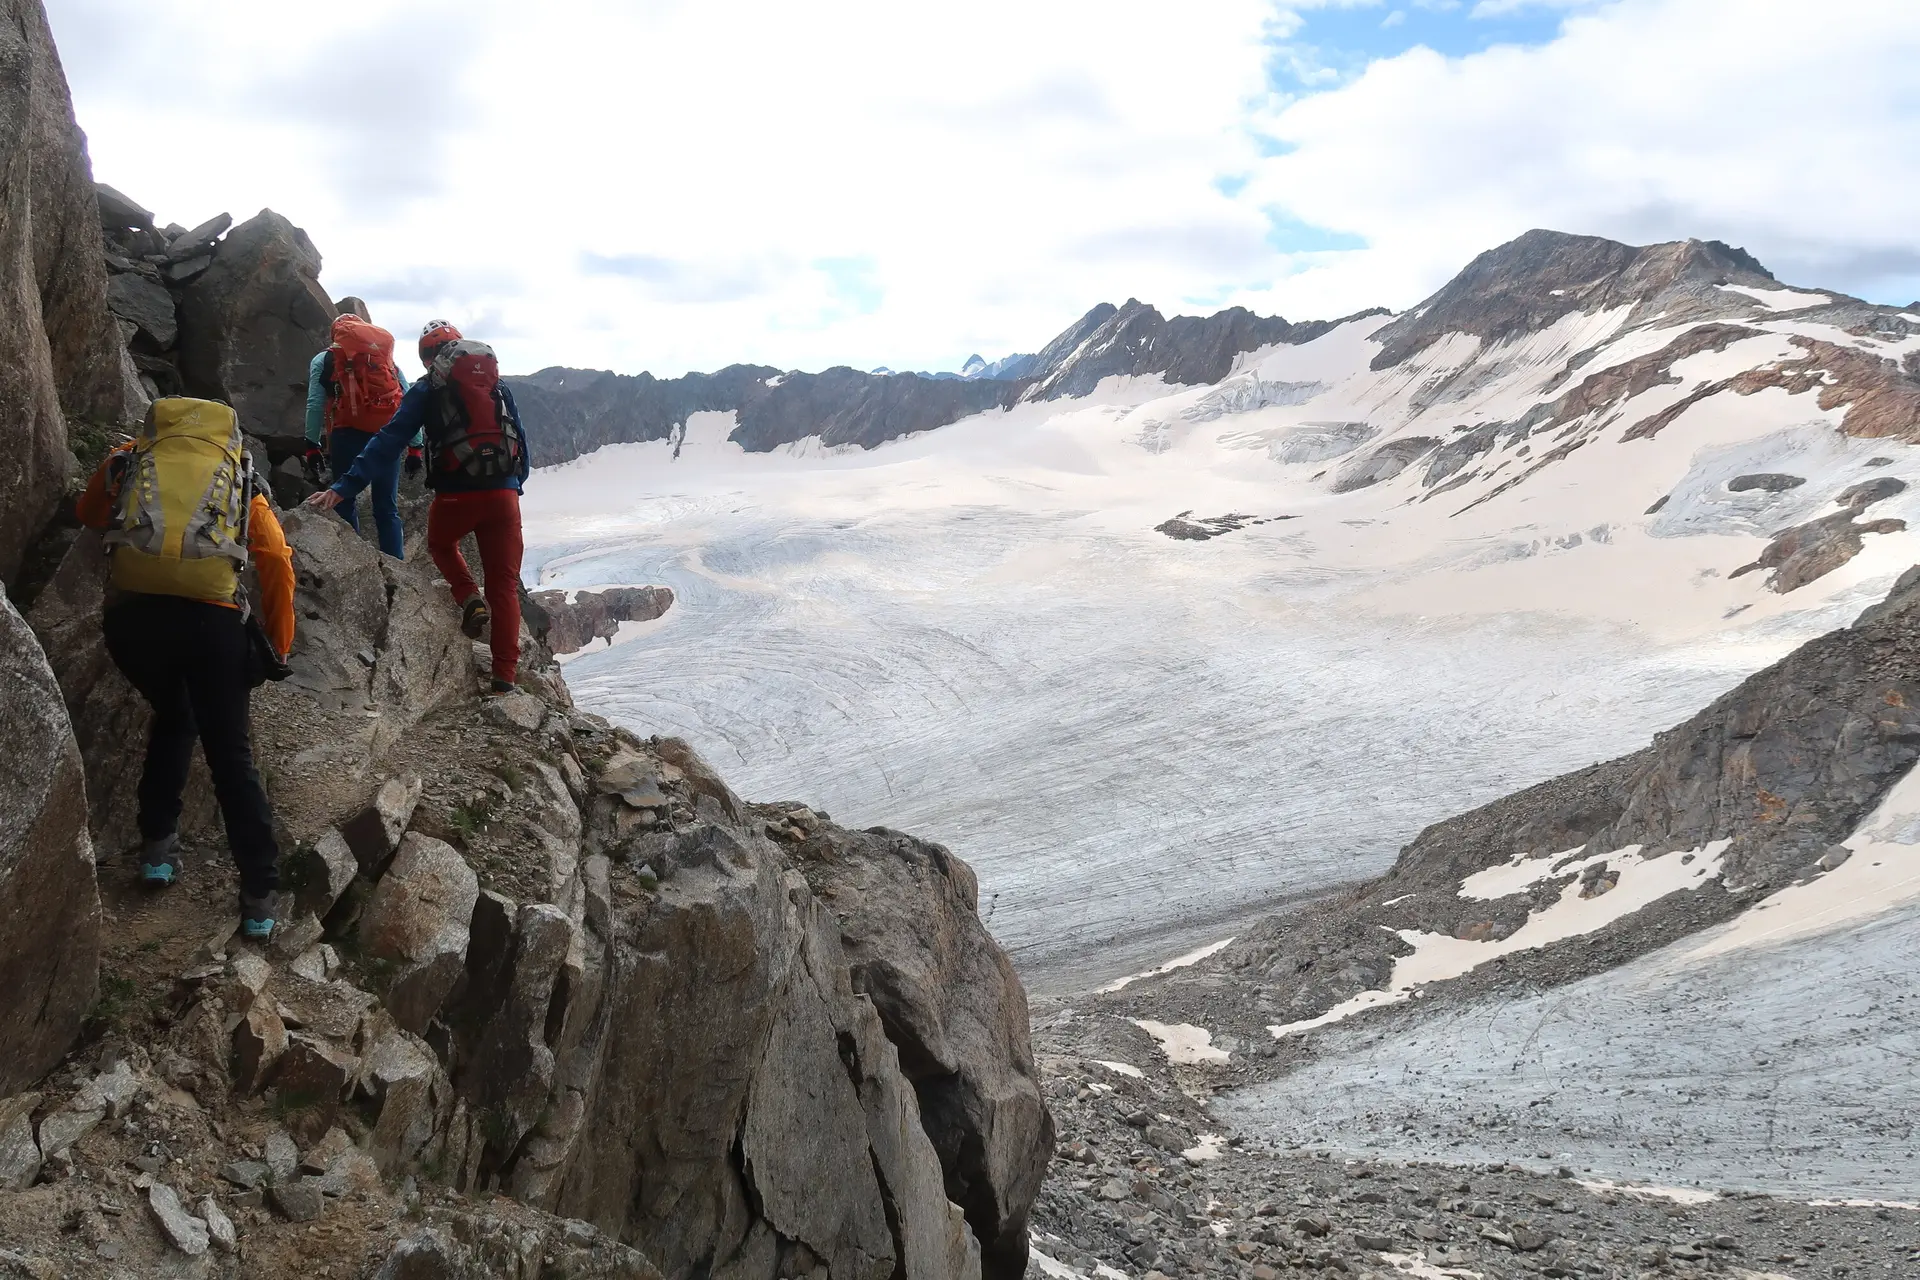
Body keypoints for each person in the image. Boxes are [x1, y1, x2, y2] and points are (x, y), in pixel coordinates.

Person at [77, 396, 296, 941]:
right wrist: (281, 645)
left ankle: (156, 849)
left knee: (174, 715)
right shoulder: (238, 475)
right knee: (230, 756)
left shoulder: (131, 458)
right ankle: (260, 898)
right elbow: (275, 559)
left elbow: (88, 513)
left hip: (133, 622)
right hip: (212, 625)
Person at [307, 320, 530, 694]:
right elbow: (519, 438)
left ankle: (467, 595)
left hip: (456, 496)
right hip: (504, 496)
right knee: (504, 585)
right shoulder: (498, 386)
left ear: (429, 357)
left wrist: (344, 487)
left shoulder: (429, 388)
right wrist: (513, 486)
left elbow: (389, 438)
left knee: (441, 545)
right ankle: (504, 676)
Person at [301, 313, 425, 559]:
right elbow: (406, 398)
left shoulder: (324, 359)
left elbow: (315, 403)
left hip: (346, 433)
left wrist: (311, 444)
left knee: (345, 499)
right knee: (387, 508)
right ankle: (397, 569)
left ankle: (355, 561)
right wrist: (415, 446)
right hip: (386, 435)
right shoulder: (384, 361)